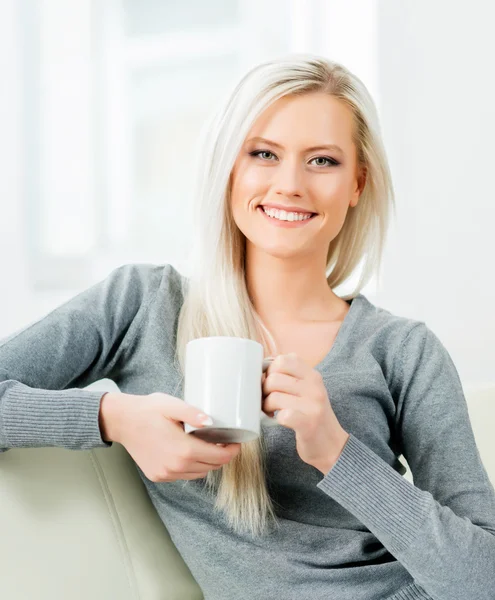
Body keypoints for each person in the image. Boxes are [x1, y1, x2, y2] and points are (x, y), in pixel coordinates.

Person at [1, 54, 494, 600]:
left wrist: (336, 450)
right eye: (263, 154)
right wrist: (113, 416)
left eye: (322, 161)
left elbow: (485, 575)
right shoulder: (142, 304)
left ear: (357, 183)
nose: (290, 184)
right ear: (229, 167)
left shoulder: (404, 350)